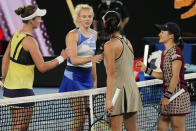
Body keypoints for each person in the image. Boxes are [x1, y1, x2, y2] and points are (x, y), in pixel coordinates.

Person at [0, 5, 69, 131]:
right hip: (22, 92)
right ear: (32, 20)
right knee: (20, 127)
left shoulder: (16, 35)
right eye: (38, 18)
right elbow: (42, 67)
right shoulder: (30, 41)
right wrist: (62, 58)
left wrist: (3, 79)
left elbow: (5, 58)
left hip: (9, 90)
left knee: (18, 126)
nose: (40, 20)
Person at [136, 22, 190, 131]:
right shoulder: (165, 52)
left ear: (171, 36)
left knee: (178, 128)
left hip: (177, 97)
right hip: (168, 96)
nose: (159, 34)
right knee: (161, 127)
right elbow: (166, 76)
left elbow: (175, 77)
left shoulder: (176, 52)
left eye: (162, 32)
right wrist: (146, 69)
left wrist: (167, 96)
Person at [58, 4, 103, 131]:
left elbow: (92, 59)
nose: (87, 19)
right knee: (80, 116)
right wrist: (90, 59)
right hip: (73, 78)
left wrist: (94, 82)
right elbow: (73, 59)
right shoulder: (72, 35)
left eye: (89, 16)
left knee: (84, 117)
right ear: (78, 18)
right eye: (84, 16)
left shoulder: (94, 33)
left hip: (87, 78)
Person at [103, 11, 142, 131]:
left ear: (105, 24)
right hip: (132, 90)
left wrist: (109, 99)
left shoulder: (109, 45)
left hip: (118, 94)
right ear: (119, 23)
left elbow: (111, 75)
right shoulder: (127, 41)